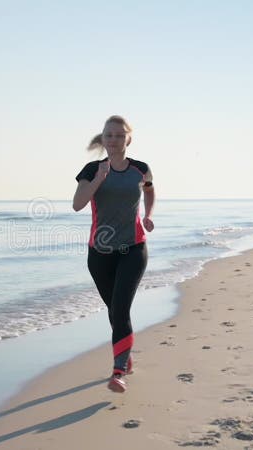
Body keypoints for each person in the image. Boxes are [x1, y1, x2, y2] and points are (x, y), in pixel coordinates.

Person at [72, 115, 155, 393]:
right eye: (109, 135)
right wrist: (99, 179)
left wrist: (148, 215)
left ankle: (118, 371)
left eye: (119, 135)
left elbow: (150, 191)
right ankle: (125, 354)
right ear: (103, 138)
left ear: (127, 139)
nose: (113, 140)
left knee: (120, 309)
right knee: (114, 310)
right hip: (100, 254)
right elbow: (78, 204)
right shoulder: (91, 169)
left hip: (133, 249)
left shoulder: (141, 169)